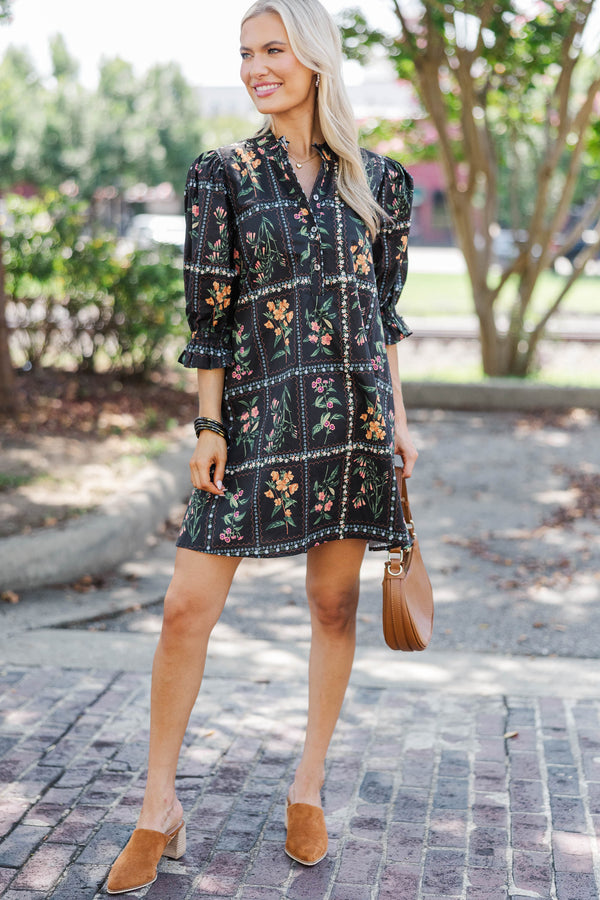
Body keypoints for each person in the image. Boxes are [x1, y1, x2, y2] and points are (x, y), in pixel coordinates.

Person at [106, 0, 417, 892]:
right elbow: (208, 317)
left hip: (350, 427)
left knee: (332, 608)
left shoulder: (381, 183)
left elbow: (383, 318)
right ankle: (158, 804)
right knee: (183, 610)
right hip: (249, 423)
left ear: (315, 58)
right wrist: (207, 424)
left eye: (273, 49)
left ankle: (308, 787)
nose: (255, 67)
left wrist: (400, 419)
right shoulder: (223, 174)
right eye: (245, 53)